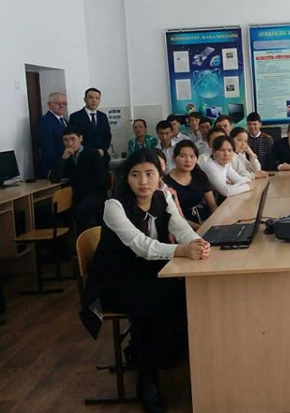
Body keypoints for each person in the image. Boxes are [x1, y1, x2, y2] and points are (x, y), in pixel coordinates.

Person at [80, 149, 210, 413]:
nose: (143, 181)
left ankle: (162, 355)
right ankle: (147, 380)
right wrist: (181, 250)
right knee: (155, 307)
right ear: (125, 178)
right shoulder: (114, 206)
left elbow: (180, 227)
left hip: (149, 272)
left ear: (159, 176)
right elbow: (141, 246)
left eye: (150, 174)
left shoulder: (163, 197)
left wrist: (197, 243)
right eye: (135, 175)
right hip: (115, 280)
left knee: (186, 293)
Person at [49, 127, 106, 234]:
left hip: (93, 193)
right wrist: (63, 159)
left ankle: (84, 240)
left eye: (73, 139)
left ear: (80, 138)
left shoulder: (92, 153)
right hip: (74, 194)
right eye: (66, 140)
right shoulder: (65, 155)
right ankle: (67, 241)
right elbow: (54, 178)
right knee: (52, 210)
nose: (70, 143)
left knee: (81, 211)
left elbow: (100, 179)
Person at [163, 140, 217, 226]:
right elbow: (175, 217)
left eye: (192, 156)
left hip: (206, 220)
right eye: (182, 156)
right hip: (184, 226)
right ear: (174, 158)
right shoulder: (166, 183)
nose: (188, 160)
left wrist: (214, 221)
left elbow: (212, 205)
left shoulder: (199, 175)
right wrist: (199, 227)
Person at [69, 87, 112, 169]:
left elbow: (107, 135)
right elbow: (75, 138)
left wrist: (103, 149)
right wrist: (91, 152)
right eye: (91, 97)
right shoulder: (75, 117)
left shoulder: (103, 116)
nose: (94, 100)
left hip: (102, 157)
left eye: (97, 98)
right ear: (85, 99)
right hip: (84, 158)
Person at [37, 92, 68, 178]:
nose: (61, 106)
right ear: (49, 104)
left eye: (64, 103)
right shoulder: (45, 121)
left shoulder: (65, 121)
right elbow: (47, 147)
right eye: (58, 103)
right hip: (55, 165)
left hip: (65, 163)